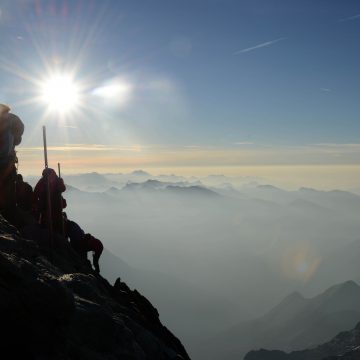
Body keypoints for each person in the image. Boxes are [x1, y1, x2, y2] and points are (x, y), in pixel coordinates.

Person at [0, 104, 24, 223]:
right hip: (7, 162)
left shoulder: (11, 119)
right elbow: (19, 136)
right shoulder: (13, 118)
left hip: (5, 161)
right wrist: (15, 139)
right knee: (8, 191)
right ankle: (9, 215)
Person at [33, 168, 66, 234]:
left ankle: (53, 236)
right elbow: (36, 194)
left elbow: (36, 193)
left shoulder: (46, 181)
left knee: (53, 223)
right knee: (51, 223)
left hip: (53, 206)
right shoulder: (47, 181)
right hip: (49, 206)